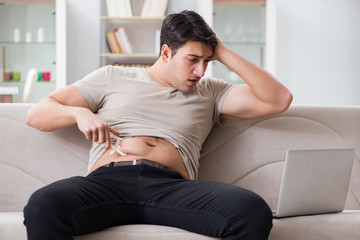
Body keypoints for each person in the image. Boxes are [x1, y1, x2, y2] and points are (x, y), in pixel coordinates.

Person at [23, 10, 292, 240]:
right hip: (107, 183)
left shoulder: (211, 91)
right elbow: (37, 115)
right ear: (166, 52)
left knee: (252, 210)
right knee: (42, 204)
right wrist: (79, 113)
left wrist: (221, 51)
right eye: (193, 60)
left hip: (172, 188)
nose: (201, 71)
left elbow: (279, 100)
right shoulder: (112, 76)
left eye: (207, 61)